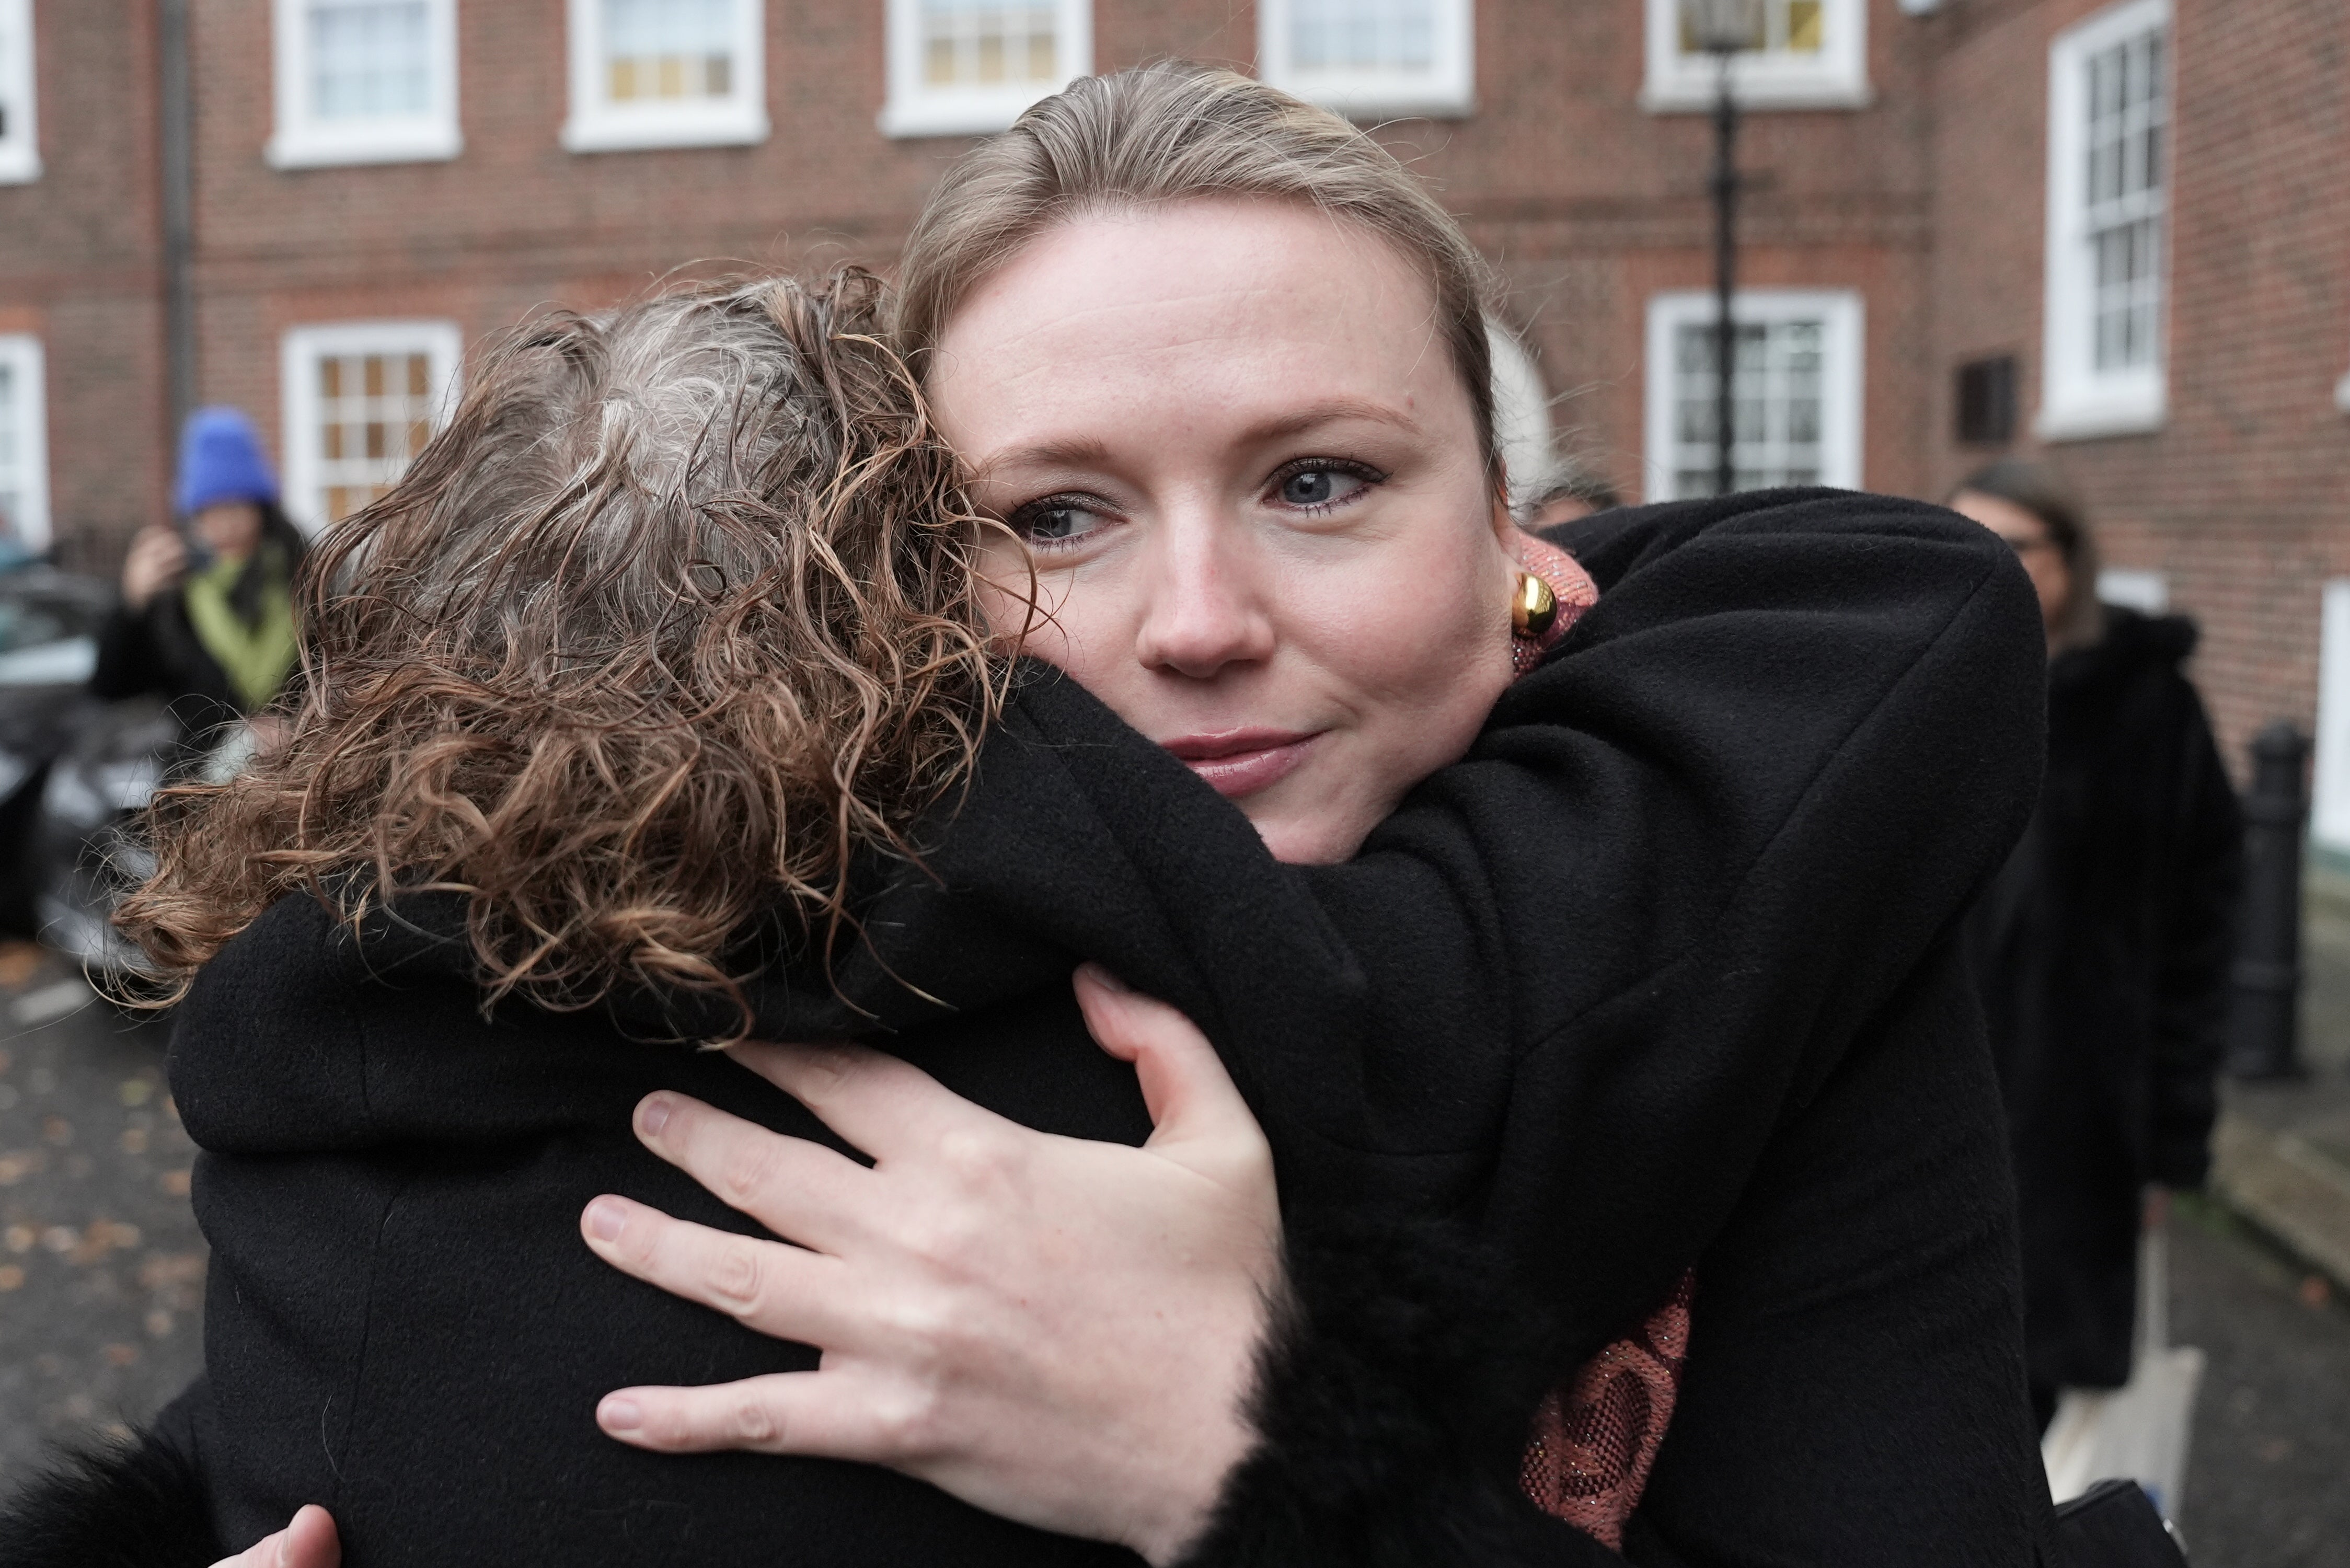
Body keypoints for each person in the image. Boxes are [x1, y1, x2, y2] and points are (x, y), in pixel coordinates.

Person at [15, 67, 2049, 1568]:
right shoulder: (712, 1011)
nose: (1195, 624)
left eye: (1321, 480)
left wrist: (1233, 1465)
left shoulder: (1765, 899)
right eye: (1050, 517)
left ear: (1515, 531)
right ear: (887, 599)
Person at [1949, 459, 2243, 1432]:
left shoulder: (2149, 710)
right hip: (1939, 1094)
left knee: (2037, 1396)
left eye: (2011, 545)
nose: (1982, 566)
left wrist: (2170, 1140)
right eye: (1963, 540)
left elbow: (2202, 933)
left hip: (2078, 1113)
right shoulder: (1930, 686)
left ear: (2069, 561)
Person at [94, 408, 306, 733]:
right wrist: (131, 604)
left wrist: (293, 725)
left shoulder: (304, 579)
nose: (226, 524)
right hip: (201, 777)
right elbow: (112, 688)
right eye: (210, 511)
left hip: (299, 770)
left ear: (261, 509)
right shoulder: (174, 597)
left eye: (237, 506)